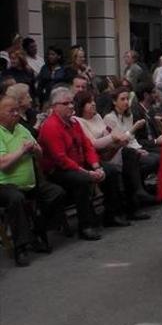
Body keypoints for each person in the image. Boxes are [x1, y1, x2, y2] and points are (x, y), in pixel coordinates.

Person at [38, 87, 110, 241]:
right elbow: (61, 160)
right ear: (55, 107)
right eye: (66, 103)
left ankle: (112, 214)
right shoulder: (51, 126)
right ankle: (85, 226)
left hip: (78, 165)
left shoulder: (74, 123)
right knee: (82, 181)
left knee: (111, 171)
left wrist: (96, 166)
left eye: (71, 102)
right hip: (57, 171)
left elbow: (87, 146)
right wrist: (87, 172)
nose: (71, 106)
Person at [0, 96, 64, 266]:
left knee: (56, 193)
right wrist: (22, 150)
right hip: (4, 185)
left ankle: (37, 231)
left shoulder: (22, 129)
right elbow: (3, 164)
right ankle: (20, 248)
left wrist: (35, 149)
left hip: (29, 182)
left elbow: (40, 154)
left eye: (17, 110)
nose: (16, 114)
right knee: (16, 199)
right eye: (11, 111)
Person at [74, 90, 150, 222]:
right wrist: (112, 137)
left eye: (93, 101)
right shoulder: (79, 121)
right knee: (115, 168)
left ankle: (134, 203)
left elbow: (107, 132)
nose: (93, 104)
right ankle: (120, 209)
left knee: (130, 154)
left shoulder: (97, 116)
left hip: (110, 150)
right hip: (97, 156)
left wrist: (115, 139)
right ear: (81, 106)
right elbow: (94, 143)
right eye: (88, 102)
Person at [102, 87, 158, 205]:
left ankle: (146, 190)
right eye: (122, 99)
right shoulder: (109, 118)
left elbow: (131, 140)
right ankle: (138, 191)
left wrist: (139, 149)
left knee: (156, 158)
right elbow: (121, 139)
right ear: (114, 102)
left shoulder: (128, 116)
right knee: (148, 160)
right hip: (118, 152)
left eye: (127, 99)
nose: (126, 102)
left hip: (131, 150)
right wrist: (134, 128)